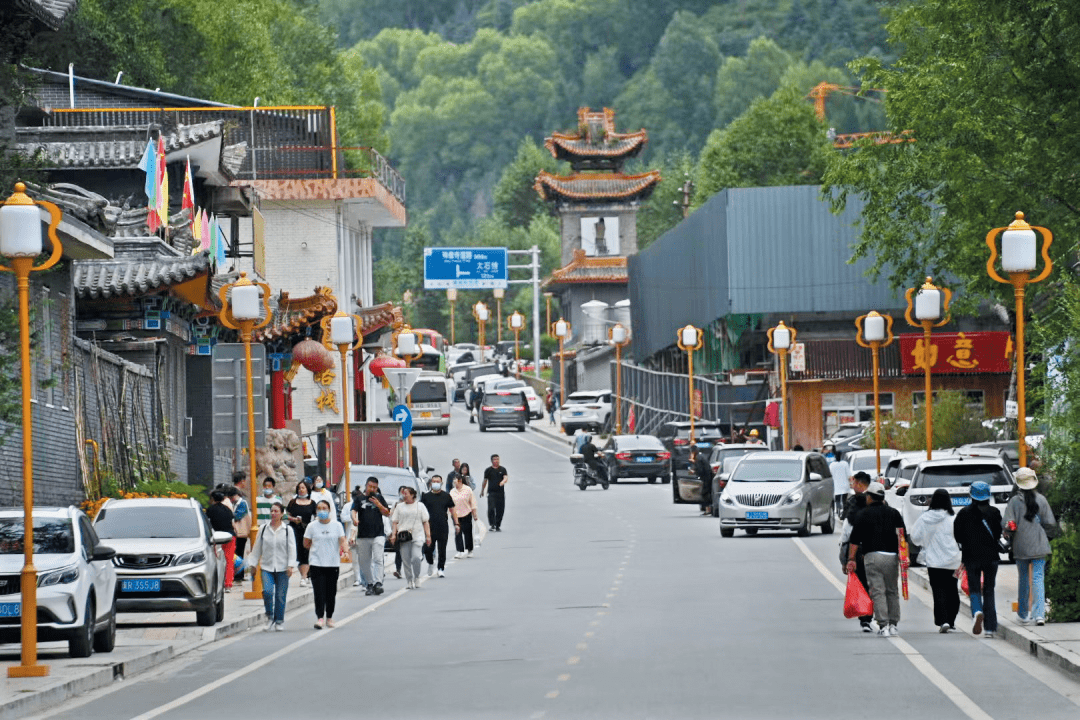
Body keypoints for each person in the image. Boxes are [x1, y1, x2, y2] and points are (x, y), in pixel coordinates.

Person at [845, 481, 906, 637]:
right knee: (892, 591)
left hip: (872, 556)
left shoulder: (863, 514)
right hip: (891, 557)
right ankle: (894, 624)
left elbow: (854, 540)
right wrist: (905, 557)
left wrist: (851, 559)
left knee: (877, 591)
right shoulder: (894, 513)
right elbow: (901, 536)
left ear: (870, 497)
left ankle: (883, 625)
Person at [1003, 468, 1057, 626]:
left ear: (1018, 484)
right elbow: (1050, 523)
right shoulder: (1042, 499)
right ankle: (1039, 614)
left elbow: (1007, 524)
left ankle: (1023, 614)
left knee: (1024, 579)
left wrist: (1008, 531)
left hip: (1021, 546)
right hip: (1040, 545)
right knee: (1038, 578)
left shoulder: (1014, 502)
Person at [954, 481, 1002, 638]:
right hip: (991, 557)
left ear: (971, 496)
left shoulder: (963, 514)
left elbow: (958, 536)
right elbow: (998, 533)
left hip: (971, 557)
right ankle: (990, 629)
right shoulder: (994, 513)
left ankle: (977, 611)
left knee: (974, 587)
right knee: (989, 590)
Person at [910, 489, 962, 632]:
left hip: (933, 562)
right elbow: (961, 537)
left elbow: (915, 537)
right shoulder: (953, 518)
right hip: (953, 561)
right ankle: (951, 621)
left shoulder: (924, 518)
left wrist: (925, 542)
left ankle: (943, 620)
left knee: (938, 590)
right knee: (952, 590)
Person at [247, 502, 296, 631]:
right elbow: (257, 548)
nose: (273, 514)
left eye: (276, 511)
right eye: (272, 511)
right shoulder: (263, 529)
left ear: (281, 514)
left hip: (283, 567)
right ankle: (270, 617)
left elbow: (292, 548)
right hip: (267, 567)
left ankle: (279, 620)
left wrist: (291, 565)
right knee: (268, 592)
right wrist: (253, 564)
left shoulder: (287, 530)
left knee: (280, 595)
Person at [304, 499, 346, 629]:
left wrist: (345, 550)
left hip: (332, 564)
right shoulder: (312, 526)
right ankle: (320, 617)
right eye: (319, 508)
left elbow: (342, 540)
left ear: (329, 510)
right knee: (319, 592)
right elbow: (306, 543)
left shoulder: (337, 525)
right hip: (317, 563)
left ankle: (329, 617)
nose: (322, 511)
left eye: (324, 508)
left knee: (330, 592)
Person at [840, 472, 874, 632]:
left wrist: (846, 560)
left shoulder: (851, 518)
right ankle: (878, 617)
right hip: (874, 551)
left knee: (862, 584)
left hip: (857, 553)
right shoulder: (876, 509)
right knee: (875, 585)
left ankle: (865, 619)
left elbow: (845, 538)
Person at [350, 476, 389, 596]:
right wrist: (354, 519)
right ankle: (370, 584)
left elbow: (387, 513)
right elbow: (353, 510)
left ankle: (378, 583)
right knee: (364, 562)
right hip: (363, 535)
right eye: (370, 486)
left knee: (378, 558)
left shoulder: (379, 498)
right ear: (366, 485)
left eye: (375, 487)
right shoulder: (359, 498)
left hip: (378, 534)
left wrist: (378, 504)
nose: (372, 489)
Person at [390, 486, 431, 590]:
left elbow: (425, 521)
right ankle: (409, 580)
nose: (404, 495)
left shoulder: (420, 506)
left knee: (416, 557)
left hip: (417, 535)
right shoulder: (399, 507)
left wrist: (428, 536)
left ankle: (417, 577)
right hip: (403, 537)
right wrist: (394, 534)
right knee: (406, 560)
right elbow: (395, 521)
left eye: (406, 493)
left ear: (412, 495)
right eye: (403, 493)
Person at [421, 475, 458, 578]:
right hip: (429, 528)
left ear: (441, 483)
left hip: (442, 526)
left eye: (438, 481)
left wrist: (456, 523)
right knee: (428, 549)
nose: (436, 483)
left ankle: (441, 568)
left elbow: (452, 510)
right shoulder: (425, 496)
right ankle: (430, 563)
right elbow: (420, 511)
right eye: (434, 481)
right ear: (431, 483)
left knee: (442, 549)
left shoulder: (446, 496)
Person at [286, 480, 316, 587]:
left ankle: (304, 577)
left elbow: (316, 516)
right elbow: (286, 516)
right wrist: (294, 519)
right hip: (294, 530)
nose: (301, 490)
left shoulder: (312, 503)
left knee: (306, 553)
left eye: (303, 488)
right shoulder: (293, 502)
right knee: (297, 553)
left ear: (307, 489)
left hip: (307, 530)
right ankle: (304, 574)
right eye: (299, 488)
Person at [205, 490, 236, 592]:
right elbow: (233, 524)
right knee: (229, 561)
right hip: (230, 537)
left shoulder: (209, 510)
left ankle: (216, 584)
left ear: (213, 499)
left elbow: (207, 525)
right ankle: (228, 585)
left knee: (214, 561)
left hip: (216, 539)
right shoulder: (228, 510)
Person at [451, 472, 479, 558]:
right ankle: (459, 550)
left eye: (456, 481)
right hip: (456, 516)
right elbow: (450, 504)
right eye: (453, 482)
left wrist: (474, 514)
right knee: (458, 533)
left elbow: (473, 502)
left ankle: (469, 550)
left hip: (466, 514)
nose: (455, 483)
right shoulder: (452, 492)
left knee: (467, 533)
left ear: (460, 481)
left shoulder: (467, 490)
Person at [228, 482, 251, 583]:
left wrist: (231, 514)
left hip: (241, 533)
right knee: (236, 553)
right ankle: (237, 574)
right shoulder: (234, 503)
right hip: (236, 533)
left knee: (239, 553)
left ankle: (239, 575)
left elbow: (238, 516)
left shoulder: (242, 503)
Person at [481, 454, 508, 531]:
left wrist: (502, 482)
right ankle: (492, 524)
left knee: (500, 509)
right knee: (491, 508)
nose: (496, 461)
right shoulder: (488, 470)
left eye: (497, 459)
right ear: (492, 461)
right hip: (491, 492)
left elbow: (505, 477)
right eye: (495, 459)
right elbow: (485, 481)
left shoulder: (503, 469)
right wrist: (482, 490)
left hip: (500, 493)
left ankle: (497, 525)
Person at [824, 443, 851, 518]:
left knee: (837, 500)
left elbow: (830, 475)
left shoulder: (832, 465)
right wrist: (851, 483)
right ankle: (844, 512)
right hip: (845, 485)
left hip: (836, 485)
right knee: (844, 500)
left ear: (835, 456)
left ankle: (839, 510)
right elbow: (849, 475)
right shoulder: (845, 464)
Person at [691, 445, 713, 516]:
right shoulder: (702, 456)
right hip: (709, 476)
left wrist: (694, 472)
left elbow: (700, 470)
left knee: (705, 494)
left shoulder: (698, 458)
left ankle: (708, 510)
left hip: (705, 478)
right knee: (707, 493)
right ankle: (708, 509)